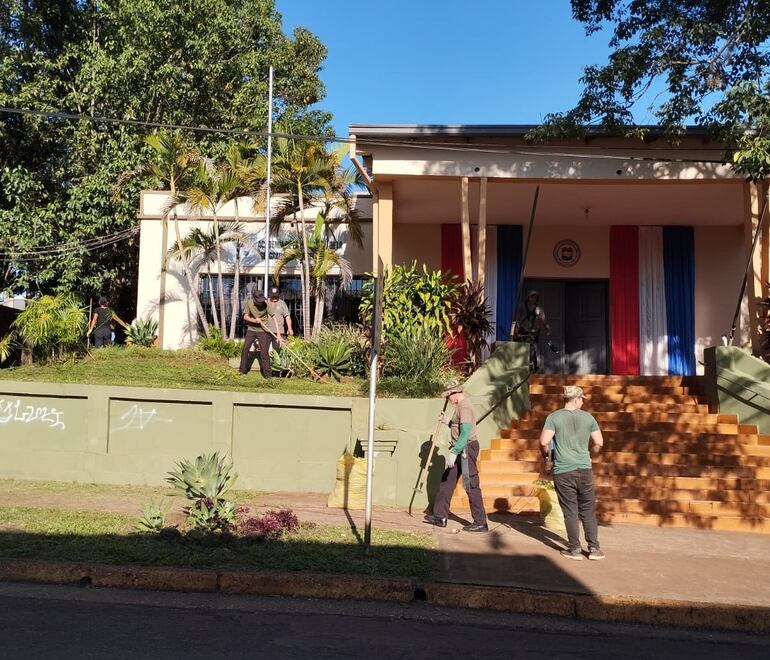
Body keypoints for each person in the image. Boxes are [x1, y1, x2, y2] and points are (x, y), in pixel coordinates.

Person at [538, 385, 605, 561]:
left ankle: (574, 549)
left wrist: (546, 454)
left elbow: (544, 441)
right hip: (584, 469)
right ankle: (594, 549)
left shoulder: (554, 417)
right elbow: (599, 442)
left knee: (570, 511)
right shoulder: (588, 418)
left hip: (563, 470)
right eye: (582, 399)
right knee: (588, 511)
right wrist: (590, 455)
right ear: (575, 399)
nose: (583, 402)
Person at [424, 383, 489, 532]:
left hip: (465, 449)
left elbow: (465, 432)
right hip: (460, 448)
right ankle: (440, 517)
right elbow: (458, 427)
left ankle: (480, 522)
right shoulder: (460, 407)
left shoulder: (464, 407)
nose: (448, 399)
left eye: (448, 396)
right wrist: (448, 422)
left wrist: (455, 452)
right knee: (447, 481)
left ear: (454, 393)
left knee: (470, 484)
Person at [239, 289, 282, 377]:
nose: (261, 302)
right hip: (251, 329)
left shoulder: (266, 304)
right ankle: (242, 370)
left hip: (263, 330)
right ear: (254, 299)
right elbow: (245, 316)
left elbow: (274, 318)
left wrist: (278, 334)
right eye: (259, 301)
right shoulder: (249, 303)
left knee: (264, 352)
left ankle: (268, 375)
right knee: (245, 349)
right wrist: (254, 320)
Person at [513, 289, 552, 371]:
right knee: (522, 348)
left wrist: (548, 329)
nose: (533, 299)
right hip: (523, 330)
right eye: (532, 297)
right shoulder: (522, 306)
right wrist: (515, 330)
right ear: (528, 297)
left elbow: (543, 320)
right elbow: (517, 319)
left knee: (533, 348)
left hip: (534, 332)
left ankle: (534, 366)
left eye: (535, 297)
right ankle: (522, 366)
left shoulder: (538, 309)